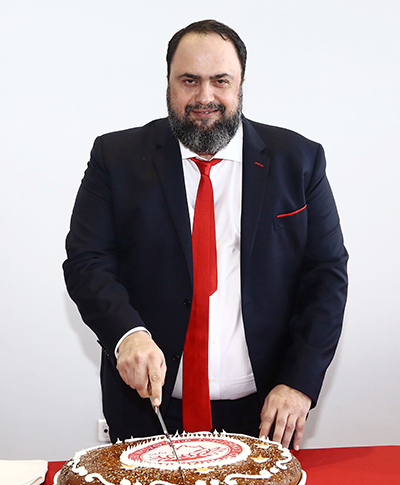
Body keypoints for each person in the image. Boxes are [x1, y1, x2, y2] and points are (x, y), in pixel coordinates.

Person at [63, 19, 348, 450]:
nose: (204, 97)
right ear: (168, 83)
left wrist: (299, 382)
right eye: (189, 80)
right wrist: (127, 334)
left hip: (264, 412)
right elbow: (87, 261)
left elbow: (327, 275)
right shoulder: (115, 157)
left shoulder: (300, 160)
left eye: (220, 80)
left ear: (241, 83)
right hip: (148, 410)